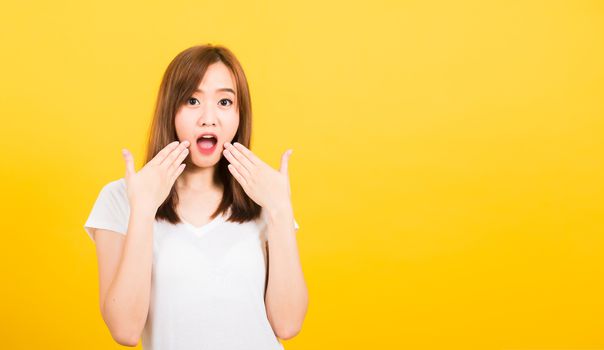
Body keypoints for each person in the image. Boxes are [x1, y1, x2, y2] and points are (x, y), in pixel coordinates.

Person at [83, 44, 308, 349]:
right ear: (170, 110)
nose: (209, 118)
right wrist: (143, 210)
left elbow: (288, 323)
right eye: (192, 100)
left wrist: (280, 208)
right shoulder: (120, 198)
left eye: (225, 102)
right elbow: (125, 330)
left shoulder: (264, 197)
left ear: (240, 115)